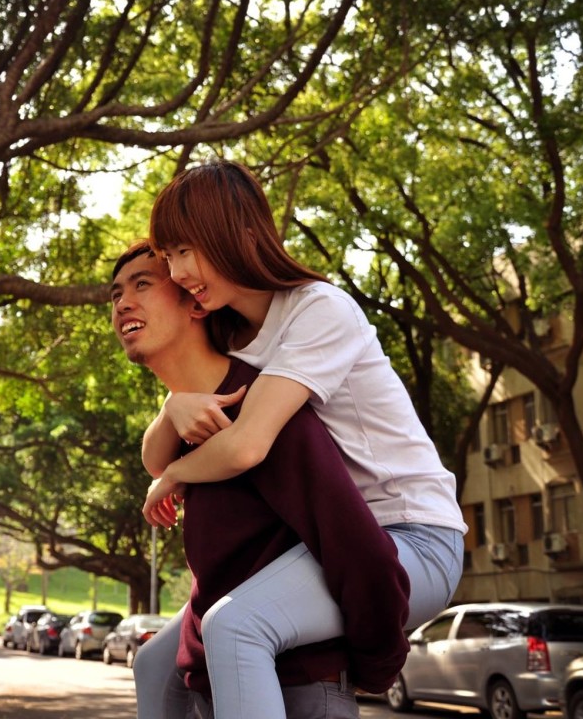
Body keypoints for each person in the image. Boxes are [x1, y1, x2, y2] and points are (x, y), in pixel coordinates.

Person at [137, 160, 468, 719]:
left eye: (187, 250)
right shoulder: (227, 332)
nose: (178, 271)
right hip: (318, 540)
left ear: (240, 234)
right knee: (155, 665)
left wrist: (176, 475)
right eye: (169, 256)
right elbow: (155, 456)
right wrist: (173, 406)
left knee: (235, 627)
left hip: (412, 538)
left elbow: (246, 446)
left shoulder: (320, 310)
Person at [111, 241, 410, 719]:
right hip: (218, 689)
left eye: (142, 284)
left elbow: (360, 550)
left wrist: (376, 667)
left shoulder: (263, 412)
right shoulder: (187, 425)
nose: (123, 303)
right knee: (151, 662)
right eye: (116, 293)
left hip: (302, 695)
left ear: (195, 302)